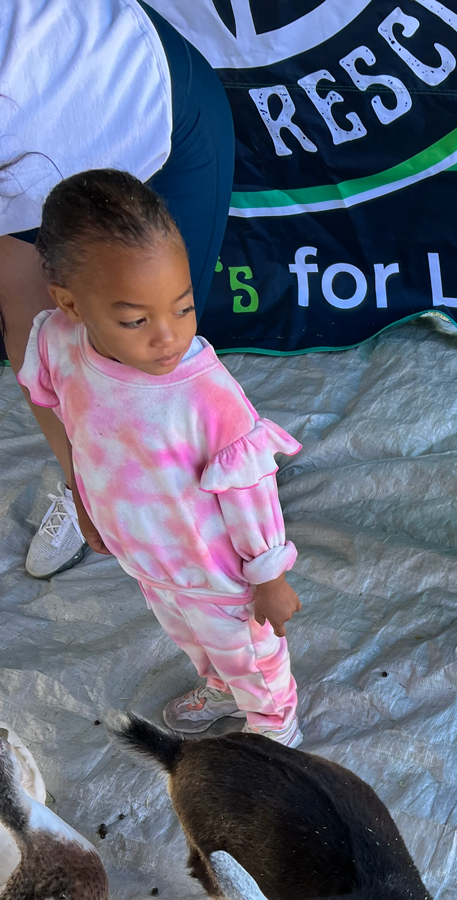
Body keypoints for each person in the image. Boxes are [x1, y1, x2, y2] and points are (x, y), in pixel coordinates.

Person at [18, 169, 304, 746]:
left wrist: (269, 576)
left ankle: (279, 737)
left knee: (252, 657)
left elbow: (250, 493)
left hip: (220, 575)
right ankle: (222, 689)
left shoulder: (207, 396)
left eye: (183, 307)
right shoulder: (56, 341)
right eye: (135, 320)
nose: (168, 337)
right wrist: (82, 499)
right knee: (190, 639)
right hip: (147, 559)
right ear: (69, 303)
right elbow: (54, 407)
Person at [0, 0, 234, 580]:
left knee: (157, 348)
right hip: (31, 157)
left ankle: (223, 479)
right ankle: (90, 486)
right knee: (37, 336)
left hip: (140, 103)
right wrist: (90, 482)